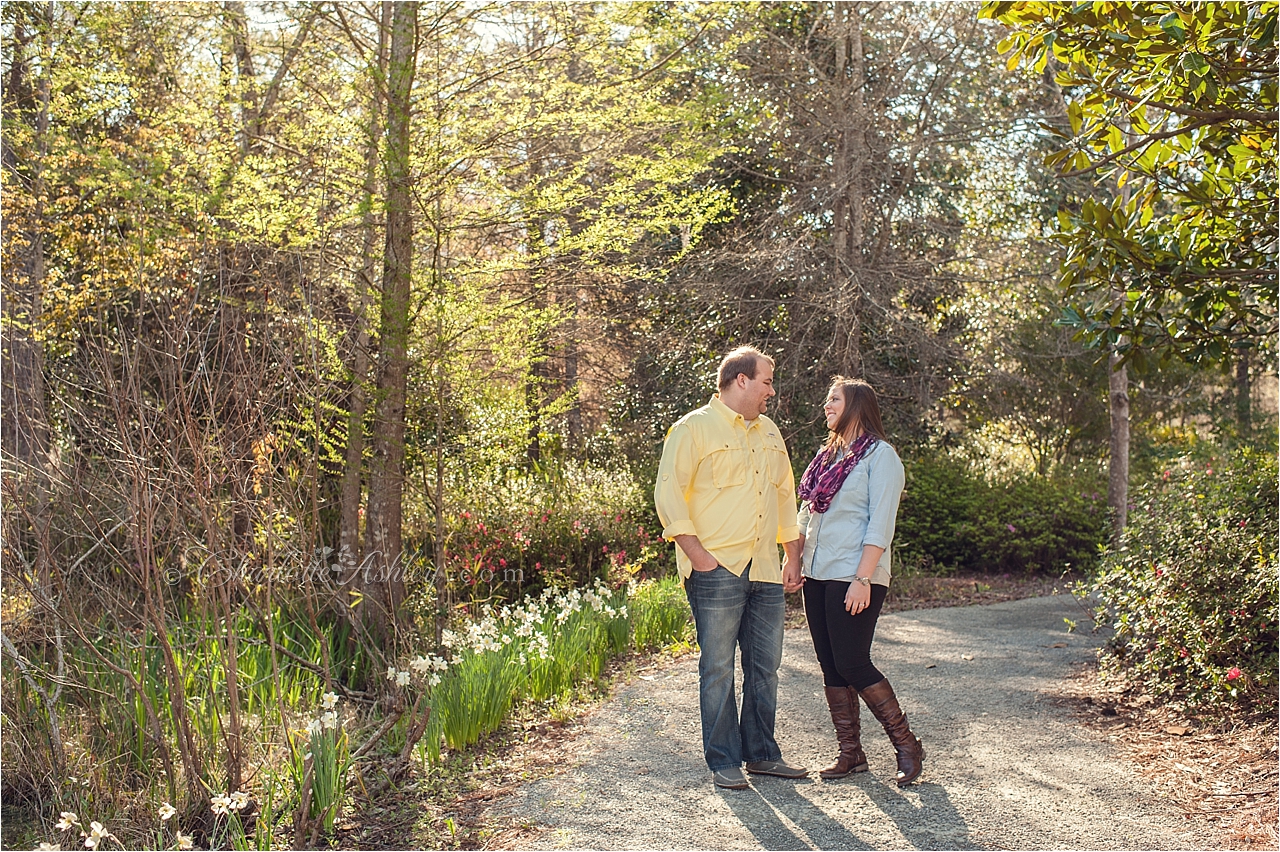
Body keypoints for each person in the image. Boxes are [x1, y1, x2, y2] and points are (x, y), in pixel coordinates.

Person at [654, 346, 808, 790]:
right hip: (716, 568)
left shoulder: (770, 432)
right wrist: (698, 555)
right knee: (718, 667)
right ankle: (724, 760)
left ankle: (762, 754)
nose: (771, 391)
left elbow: (784, 495)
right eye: (766, 381)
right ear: (741, 380)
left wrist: (790, 554)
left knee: (766, 666)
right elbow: (669, 494)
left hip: (763, 568)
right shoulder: (693, 429)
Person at [784, 377, 924, 786]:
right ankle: (851, 753)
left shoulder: (882, 458)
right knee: (831, 664)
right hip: (819, 573)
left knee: (853, 661)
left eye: (834, 400)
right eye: (827, 399)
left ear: (857, 406)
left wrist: (863, 578)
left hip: (856, 575)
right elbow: (806, 514)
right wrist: (792, 558)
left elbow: (881, 523)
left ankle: (906, 744)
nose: (826, 406)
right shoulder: (827, 457)